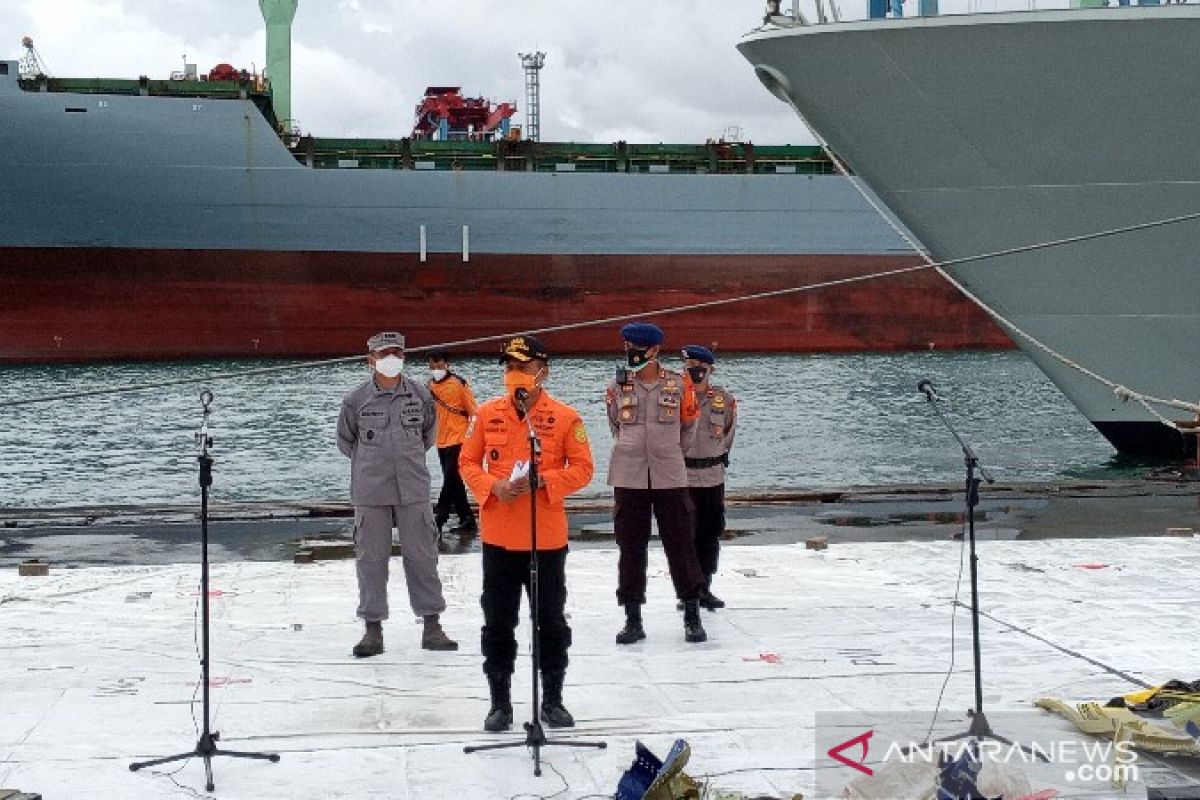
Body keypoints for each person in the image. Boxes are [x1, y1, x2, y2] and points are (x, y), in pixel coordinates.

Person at [459, 335, 595, 732]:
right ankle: (499, 702)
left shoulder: (565, 417)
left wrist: (545, 480)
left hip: (546, 539)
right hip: (499, 538)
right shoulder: (486, 415)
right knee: (498, 622)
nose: (514, 374)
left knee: (550, 622)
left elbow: (584, 468)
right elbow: (467, 462)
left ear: (542, 370)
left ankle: (552, 699)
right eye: (508, 367)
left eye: (522, 367)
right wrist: (490, 486)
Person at [336, 331, 458, 657]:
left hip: (413, 489)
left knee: (422, 557)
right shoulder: (355, 400)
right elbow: (346, 441)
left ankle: (432, 625)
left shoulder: (420, 395)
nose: (392, 359)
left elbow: (428, 435)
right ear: (370, 360)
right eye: (384, 353)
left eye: (397, 353)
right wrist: (374, 464)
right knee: (371, 561)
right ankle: (372, 630)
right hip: (370, 491)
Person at [606, 321, 708, 645]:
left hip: (669, 476)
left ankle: (692, 615)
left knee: (681, 545)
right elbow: (614, 425)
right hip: (629, 475)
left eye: (635, 348)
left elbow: (688, 430)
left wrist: (669, 453)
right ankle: (632, 618)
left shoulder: (680, 385)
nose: (629, 353)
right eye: (626, 347)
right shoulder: (617, 385)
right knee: (630, 548)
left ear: (653, 350)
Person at [681, 345, 737, 611]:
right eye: (689, 365)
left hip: (714, 476)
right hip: (684, 476)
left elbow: (728, 434)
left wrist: (717, 456)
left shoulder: (724, 400)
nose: (693, 370)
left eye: (698, 366)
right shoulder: (678, 396)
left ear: (709, 369)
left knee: (711, 532)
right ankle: (690, 591)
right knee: (686, 536)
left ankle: (706, 585)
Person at [427, 348, 478, 534]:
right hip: (441, 439)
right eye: (432, 364)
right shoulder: (429, 386)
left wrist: (471, 438)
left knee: (450, 479)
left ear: (447, 363)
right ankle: (467, 518)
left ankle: (440, 517)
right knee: (454, 481)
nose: (435, 368)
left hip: (459, 437)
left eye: (438, 363)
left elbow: (473, 412)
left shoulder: (459, 384)